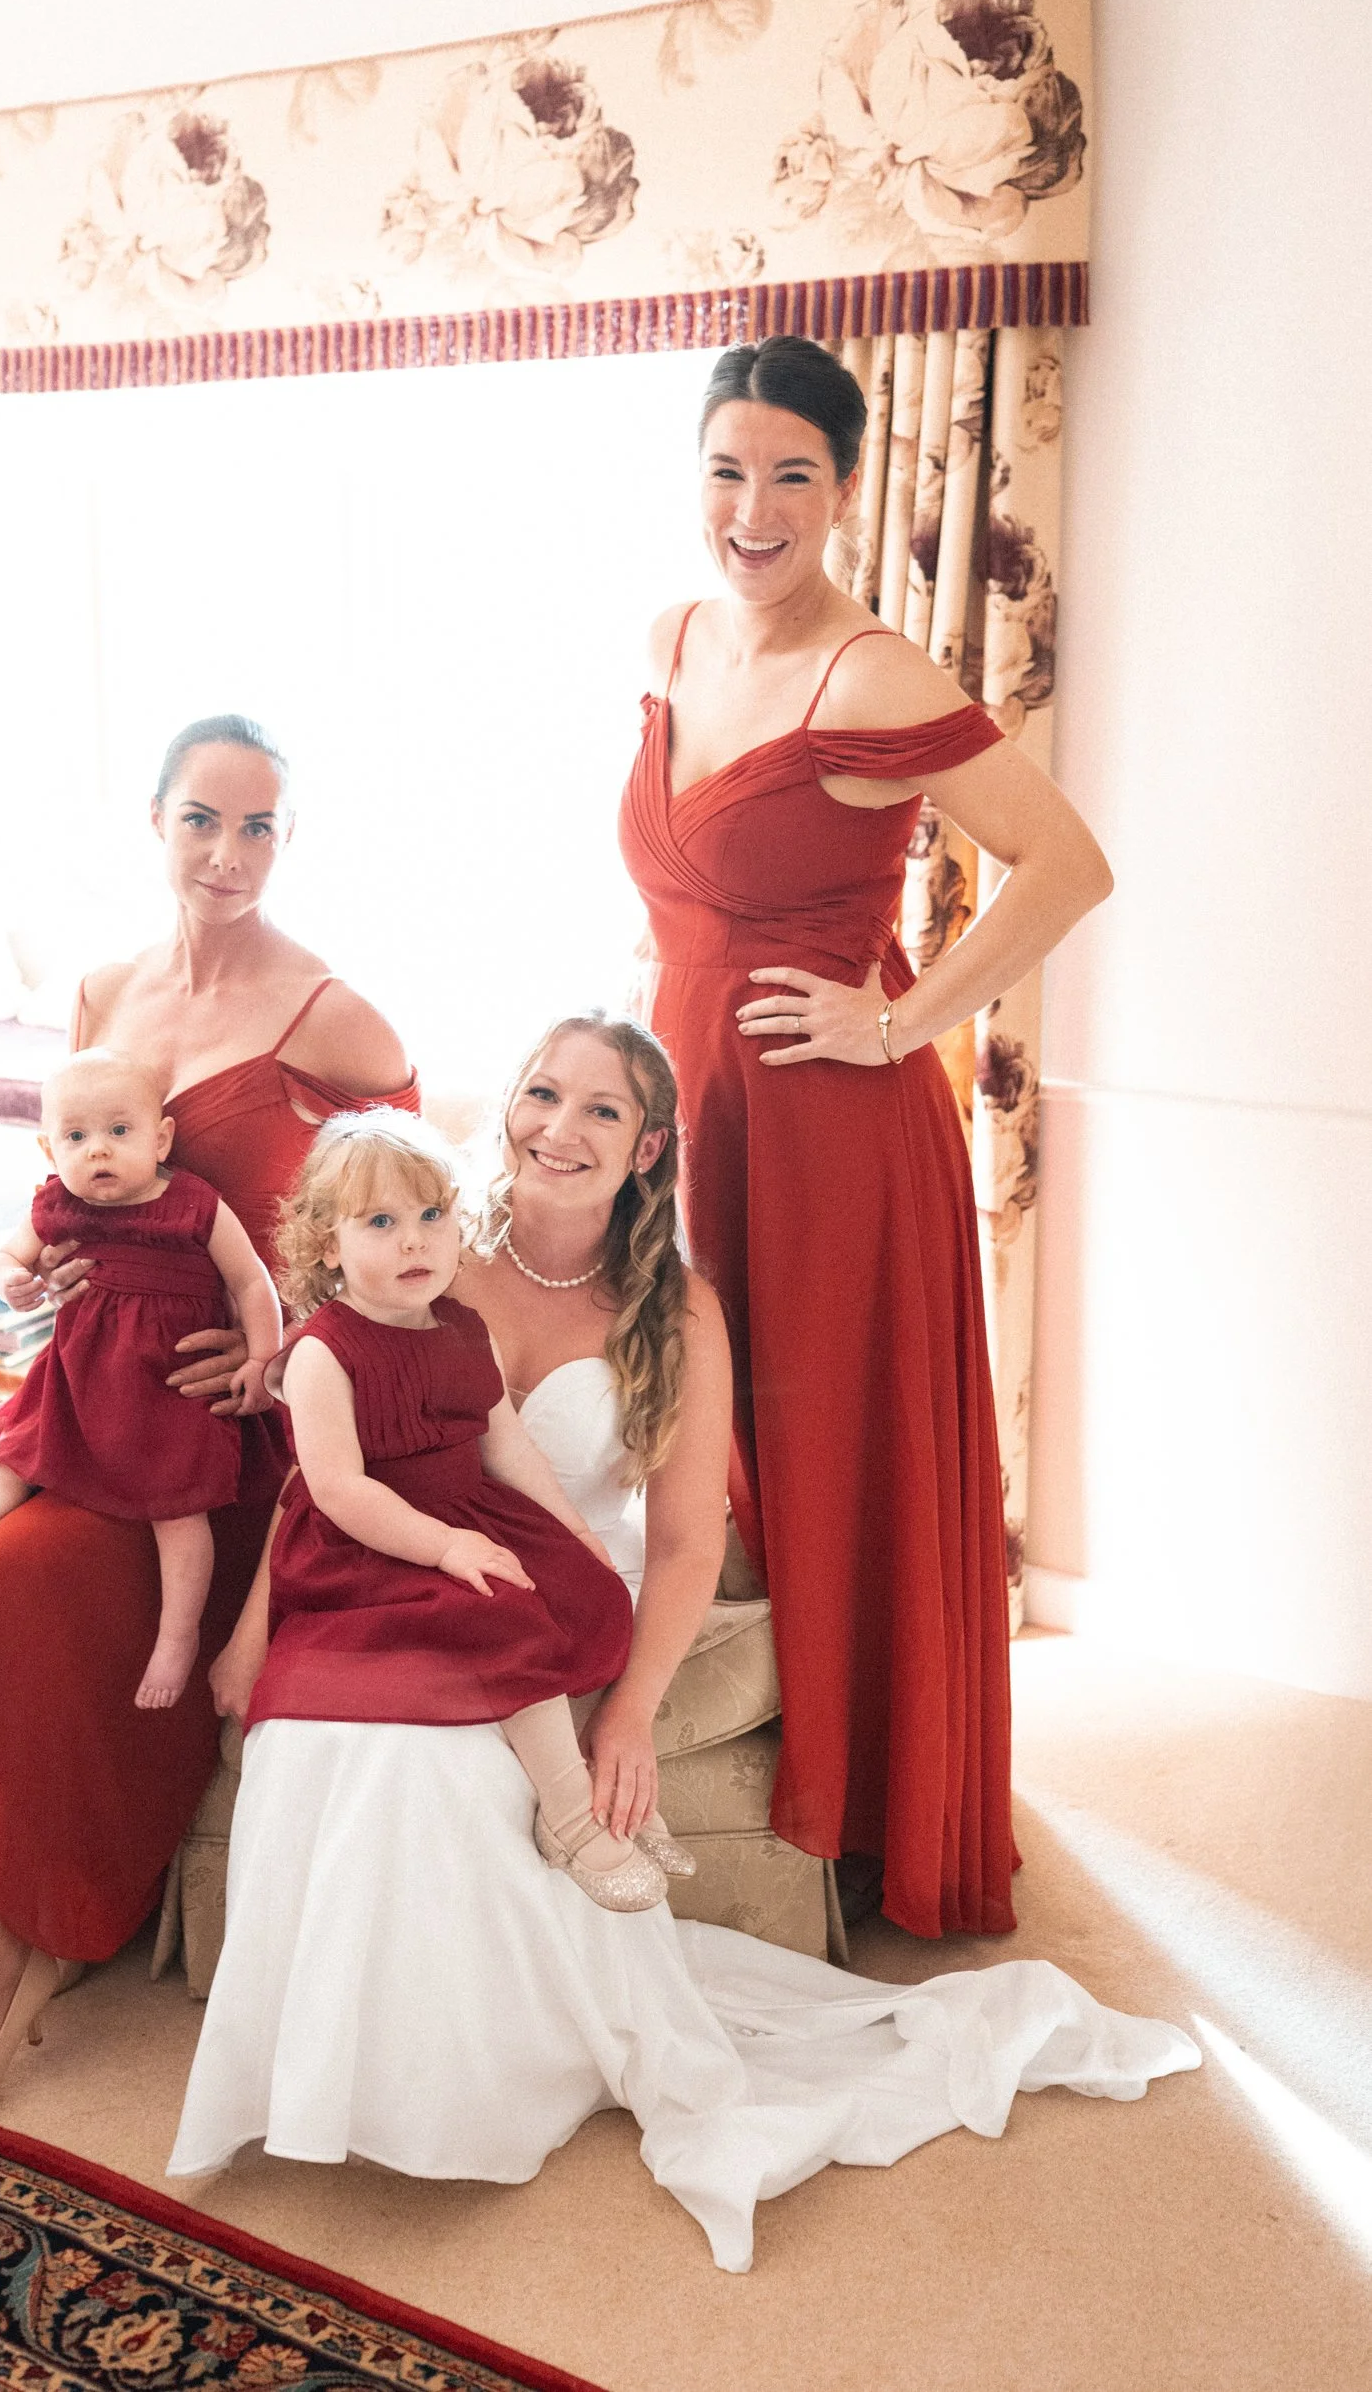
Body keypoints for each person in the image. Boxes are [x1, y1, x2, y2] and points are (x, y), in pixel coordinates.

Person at [169, 1015, 1195, 2273]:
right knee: (366, 1754)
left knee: (454, 1754)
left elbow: (681, 1547)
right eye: (542, 1092)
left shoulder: (677, 1307)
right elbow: (321, 1477)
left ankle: (478, 2074)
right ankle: (353, 2080)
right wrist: (249, 1634)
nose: (560, 1126)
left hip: (544, 1596)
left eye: (601, 1110)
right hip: (389, 1584)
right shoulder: (423, 1256)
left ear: (649, 1146)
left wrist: (628, 1714)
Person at [618, 335, 1116, 1940]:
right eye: (722, 469)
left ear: (841, 489)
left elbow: (1064, 863)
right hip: (682, 1094)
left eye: (788, 476)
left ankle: (853, 1810)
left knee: (820, 1440)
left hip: (830, 1126)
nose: (748, 508)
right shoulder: (671, 634)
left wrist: (899, 1021)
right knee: (700, 1434)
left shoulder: (874, 671)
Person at [0, 713, 416, 2147]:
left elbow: (408, 1212)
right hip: (93, 1396)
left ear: (286, 842)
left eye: (257, 828)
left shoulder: (331, 1014)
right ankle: (24, 1889)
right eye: (201, 821)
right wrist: (26, 1266)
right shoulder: (103, 990)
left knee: (41, 1586)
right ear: (155, 822)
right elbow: (68, 1185)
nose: (227, 854)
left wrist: (282, 1324)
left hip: (224, 1438)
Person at [253, 1106, 663, 1909]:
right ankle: (571, 1817)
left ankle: (610, 1792)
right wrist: (443, 1548)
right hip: (369, 1547)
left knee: (585, 1594)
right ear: (327, 1245)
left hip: (465, 1513)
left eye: (432, 1216)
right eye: (380, 1221)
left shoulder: (462, 1327)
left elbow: (504, 1446)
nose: (414, 1240)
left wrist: (575, 1531)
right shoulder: (321, 1354)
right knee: (499, 1608)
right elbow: (337, 1489)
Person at [0, 1050, 284, 1712]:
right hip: (77, 1380)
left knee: (178, 1511)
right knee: (12, 1460)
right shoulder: (56, 1205)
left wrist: (263, 1360)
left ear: (161, 1138)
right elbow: (9, 1257)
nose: (99, 1152)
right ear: (48, 1147)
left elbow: (249, 1281)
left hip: (169, 1389)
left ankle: (175, 1641)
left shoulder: (193, 1205)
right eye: (77, 1137)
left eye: (119, 1132)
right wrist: (13, 1282)